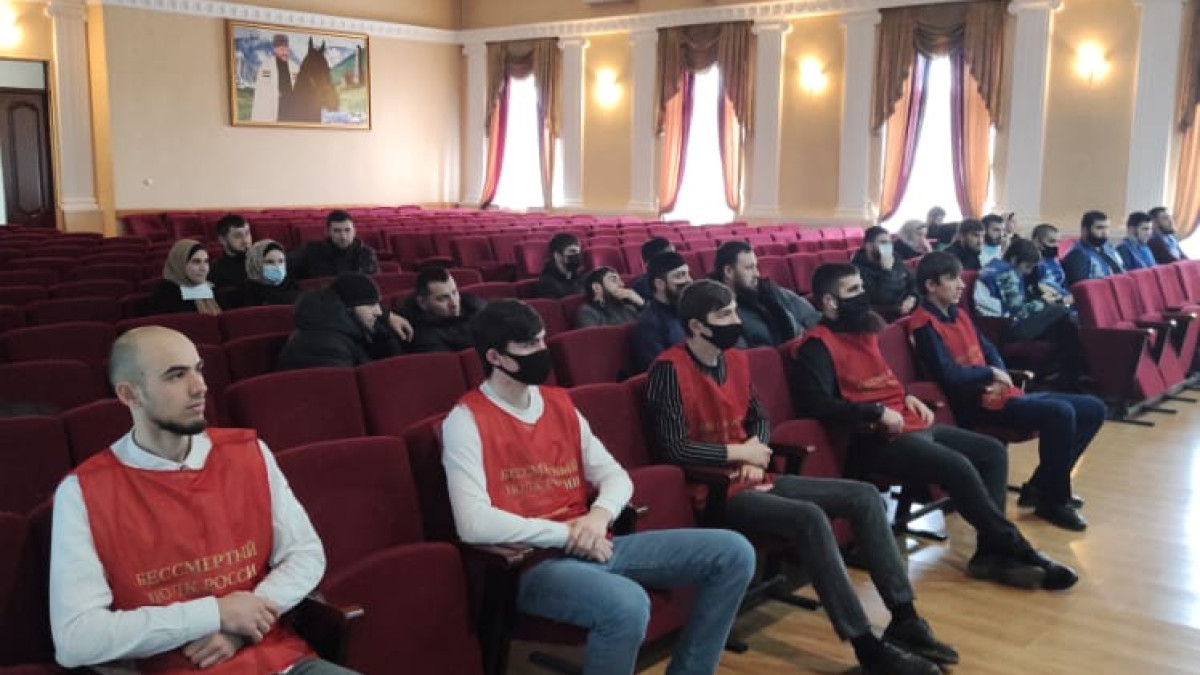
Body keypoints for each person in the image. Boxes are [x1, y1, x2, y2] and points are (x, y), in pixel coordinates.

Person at [646, 280, 956, 675]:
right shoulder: (667, 370)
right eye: (723, 315)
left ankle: (905, 617)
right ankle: (865, 645)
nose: (735, 320)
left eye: (735, 310)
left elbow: (758, 416)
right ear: (696, 326)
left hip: (755, 475)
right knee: (809, 516)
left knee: (862, 496)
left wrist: (758, 450)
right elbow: (673, 449)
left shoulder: (736, 360)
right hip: (715, 490)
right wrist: (739, 453)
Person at [441, 299, 756, 675]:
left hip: (596, 542)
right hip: (533, 565)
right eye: (528, 345)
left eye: (542, 339)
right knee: (627, 604)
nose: (541, 350)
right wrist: (566, 535)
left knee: (733, 552)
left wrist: (597, 518)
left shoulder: (559, 403)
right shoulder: (465, 420)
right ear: (494, 356)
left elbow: (616, 476)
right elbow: (473, 523)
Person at [49, 326, 357, 674]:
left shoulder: (249, 452)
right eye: (176, 375)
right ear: (129, 394)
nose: (199, 387)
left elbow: (305, 555)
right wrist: (216, 613)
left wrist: (242, 624)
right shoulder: (83, 491)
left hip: (278, 659)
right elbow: (76, 640)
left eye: (198, 369)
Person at [788, 263, 1078, 590]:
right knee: (958, 465)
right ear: (829, 302)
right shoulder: (816, 345)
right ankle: (1018, 548)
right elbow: (818, 405)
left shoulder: (864, 331)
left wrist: (907, 395)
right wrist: (876, 411)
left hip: (910, 422)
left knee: (992, 451)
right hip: (876, 439)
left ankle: (990, 551)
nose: (863, 295)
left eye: (862, 287)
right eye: (853, 290)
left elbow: (881, 378)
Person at [910, 253, 1105, 531]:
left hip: (999, 393)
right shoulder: (924, 324)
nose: (961, 284)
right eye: (952, 279)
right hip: (973, 403)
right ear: (931, 285)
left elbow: (989, 349)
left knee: (1093, 408)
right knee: (1059, 412)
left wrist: (1000, 375)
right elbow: (948, 375)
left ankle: (1041, 485)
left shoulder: (958, 313)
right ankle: (1054, 500)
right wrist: (989, 374)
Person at [276, 273, 412, 370]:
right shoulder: (324, 347)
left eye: (378, 304)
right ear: (348, 307)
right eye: (371, 305)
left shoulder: (346, 327)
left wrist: (383, 334)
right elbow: (342, 391)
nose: (379, 312)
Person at [711, 241, 819, 346]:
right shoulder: (721, 311)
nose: (757, 274)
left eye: (756, 267)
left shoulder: (770, 291)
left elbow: (811, 318)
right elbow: (743, 353)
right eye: (749, 268)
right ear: (728, 271)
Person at [629, 251, 692, 373]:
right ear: (659, 284)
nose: (689, 281)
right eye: (680, 276)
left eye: (688, 274)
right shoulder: (649, 325)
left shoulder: (691, 312)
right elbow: (661, 374)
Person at [398, 266, 485, 354]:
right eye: (443, 298)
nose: (454, 304)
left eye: (454, 293)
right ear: (423, 303)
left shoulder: (475, 306)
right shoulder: (423, 334)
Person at [851, 226, 918, 321]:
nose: (887, 248)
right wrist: (886, 272)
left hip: (909, 307)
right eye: (883, 243)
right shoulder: (857, 269)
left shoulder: (895, 257)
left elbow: (913, 281)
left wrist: (912, 297)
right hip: (885, 315)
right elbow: (882, 299)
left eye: (890, 243)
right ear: (868, 246)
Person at [289, 210, 379, 280]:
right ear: (328, 232)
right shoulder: (310, 251)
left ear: (354, 231)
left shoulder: (366, 253)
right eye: (337, 231)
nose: (343, 236)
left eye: (347, 230)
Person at [145, 239, 224, 316]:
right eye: (196, 262)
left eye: (206, 261)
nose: (203, 268)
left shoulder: (211, 289)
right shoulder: (165, 293)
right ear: (180, 263)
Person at [1062, 211, 1124, 287]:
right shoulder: (1077, 256)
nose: (1105, 233)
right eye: (1099, 228)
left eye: (1107, 228)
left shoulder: (1109, 249)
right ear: (1085, 230)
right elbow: (1082, 289)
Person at [237, 239, 301, 307]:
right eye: (270, 262)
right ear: (256, 264)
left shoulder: (291, 284)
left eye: (281, 261)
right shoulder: (247, 292)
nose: (277, 267)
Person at [575, 266, 644, 328]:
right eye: (613, 280)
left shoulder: (628, 307)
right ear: (596, 287)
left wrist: (641, 302)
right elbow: (594, 337)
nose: (622, 284)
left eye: (620, 280)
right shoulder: (588, 312)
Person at [250, 34, 295, 123]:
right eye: (281, 49)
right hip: (272, 108)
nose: (284, 52)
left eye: (286, 49)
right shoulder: (267, 66)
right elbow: (264, 88)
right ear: (275, 50)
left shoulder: (294, 67)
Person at [534, 233, 586, 298]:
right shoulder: (547, 284)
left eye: (578, 252)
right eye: (572, 251)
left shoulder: (579, 276)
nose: (577, 255)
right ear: (557, 256)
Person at [1029, 223, 1072, 302]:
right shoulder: (1031, 264)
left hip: (1064, 298)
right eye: (1051, 241)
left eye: (1058, 242)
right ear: (1037, 242)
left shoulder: (1055, 261)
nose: (1056, 245)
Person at [209, 214, 253, 291]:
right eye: (238, 236)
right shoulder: (215, 271)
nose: (245, 240)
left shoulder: (261, 261)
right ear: (222, 240)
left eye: (247, 234)